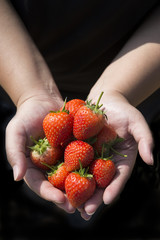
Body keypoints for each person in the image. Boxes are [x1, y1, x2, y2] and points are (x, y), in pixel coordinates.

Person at [0, 0, 160, 221]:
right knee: (34, 169)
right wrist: (29, 93)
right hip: (15, 68)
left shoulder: (102, 129)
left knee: (84, 192)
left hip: (139, 77)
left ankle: (77, 215)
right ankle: (49, 206)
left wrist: (118, 92)